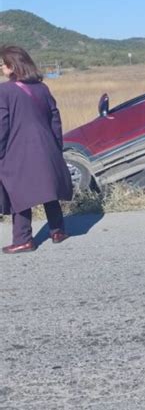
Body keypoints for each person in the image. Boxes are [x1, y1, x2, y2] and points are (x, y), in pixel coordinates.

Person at [0, 45, 72, 254]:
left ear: (13, 66)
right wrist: (56, 146)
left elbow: (2, 125)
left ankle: (23, 239)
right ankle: (58, 231)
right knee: (47, 187)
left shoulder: (5, 91)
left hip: (18, 148)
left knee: (19, 193)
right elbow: (55, 119)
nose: (1, 67)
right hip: (46, 145)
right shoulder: (42, 88)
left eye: (3, 64)